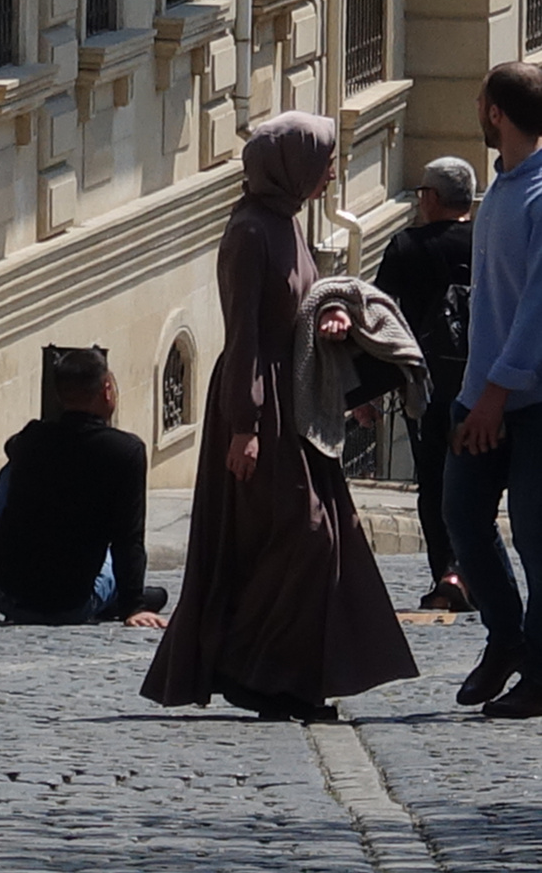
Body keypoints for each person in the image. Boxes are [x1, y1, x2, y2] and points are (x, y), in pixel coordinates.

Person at [141, 111, 417, 721]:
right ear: (287, 163)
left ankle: (288, 680)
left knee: (325, 536)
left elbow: (299, 314)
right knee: (305, 539)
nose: (331, 173)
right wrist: (245, 425)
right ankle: (255, 669)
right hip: (258, 404)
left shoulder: (287, 223)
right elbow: (245, 335)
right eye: (321, 160)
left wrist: (334, 336)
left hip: (293, 401)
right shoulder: (249, 234)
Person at [441, 62, 542, 717]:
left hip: (526, 400)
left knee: (537, 538)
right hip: (483, 391)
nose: (477, 110)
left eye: (480, 102)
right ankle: (505, 637)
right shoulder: (501, 189)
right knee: (462, 518)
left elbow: (537, 308)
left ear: (497, 114)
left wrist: (498, 394)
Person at [0, 350, 168, 627]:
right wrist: (134, 606)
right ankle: (124, 598)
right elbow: (128, 536)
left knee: (11, 469)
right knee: (112, 556)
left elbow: (11, 446)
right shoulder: (126, 451)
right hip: (67, 605)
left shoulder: (31, 438)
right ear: (107, 390)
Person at [372, 156, 477, 611]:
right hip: (485, 382)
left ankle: (447, 573)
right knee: (478, 483)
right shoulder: (488, 241)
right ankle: (473, 574)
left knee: (433, 482)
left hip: (427, 384)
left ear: (431, 198)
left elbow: (378, 320)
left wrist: (370, 390)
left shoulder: (405, 247)